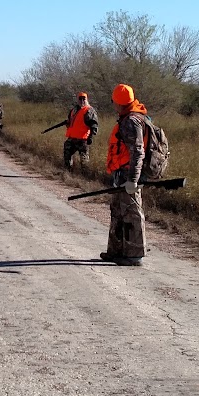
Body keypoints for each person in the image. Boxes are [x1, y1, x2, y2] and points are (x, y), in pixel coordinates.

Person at [102, 83, 149, 266]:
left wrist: (133, 179)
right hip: (120, 173)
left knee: (132, 213)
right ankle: (116, 251)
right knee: (118, 212)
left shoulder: (131, 121)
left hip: (128, 174)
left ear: (118, 102)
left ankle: (134, 255)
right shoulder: (127, 117)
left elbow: (138, 151)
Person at [63, 92, 99, 170]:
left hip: (83, 139)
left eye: (84, 99)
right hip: (72, 138)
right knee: (67, 154)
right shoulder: (73, 110)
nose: (82, 100)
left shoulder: (89, 110)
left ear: (86, 99)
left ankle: (85, 177)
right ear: (77, 99)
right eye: (80, 99)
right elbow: (70, 122)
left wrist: (91, 137)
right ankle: (67, 173)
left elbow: (94, 125)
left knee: (84, 160)